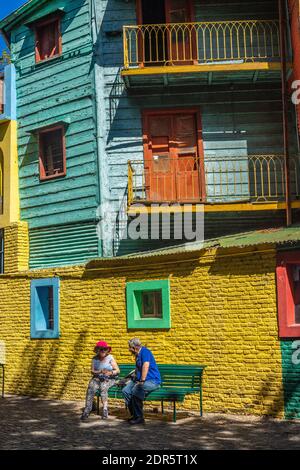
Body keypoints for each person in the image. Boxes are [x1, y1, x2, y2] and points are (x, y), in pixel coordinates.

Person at [122, 338, 161, 425]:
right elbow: (138, 370)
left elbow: (145, 366)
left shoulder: (145, 352)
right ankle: (135, 415)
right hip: (138, 380)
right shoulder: (137, 354)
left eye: (130, 347)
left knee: (136, 390)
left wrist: (142, 381)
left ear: (135, 347)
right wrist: (130, 379)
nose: (129, 349)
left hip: (152, 381)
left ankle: (139, 417)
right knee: (125, 391)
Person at [81, 340, 120, 421]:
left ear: (107, 350)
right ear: (97, 350)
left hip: (109, 378)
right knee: (90, 388)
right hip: (97, 378)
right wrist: (100, 371)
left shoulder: (110, 358)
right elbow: (92, 371)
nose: (103, 351)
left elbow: (117, 370)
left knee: (103, 386)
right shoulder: (94, 359)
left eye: (104, 349)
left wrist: (110, 373)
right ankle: (87, 410)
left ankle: (105, 410)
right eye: (101, 349)